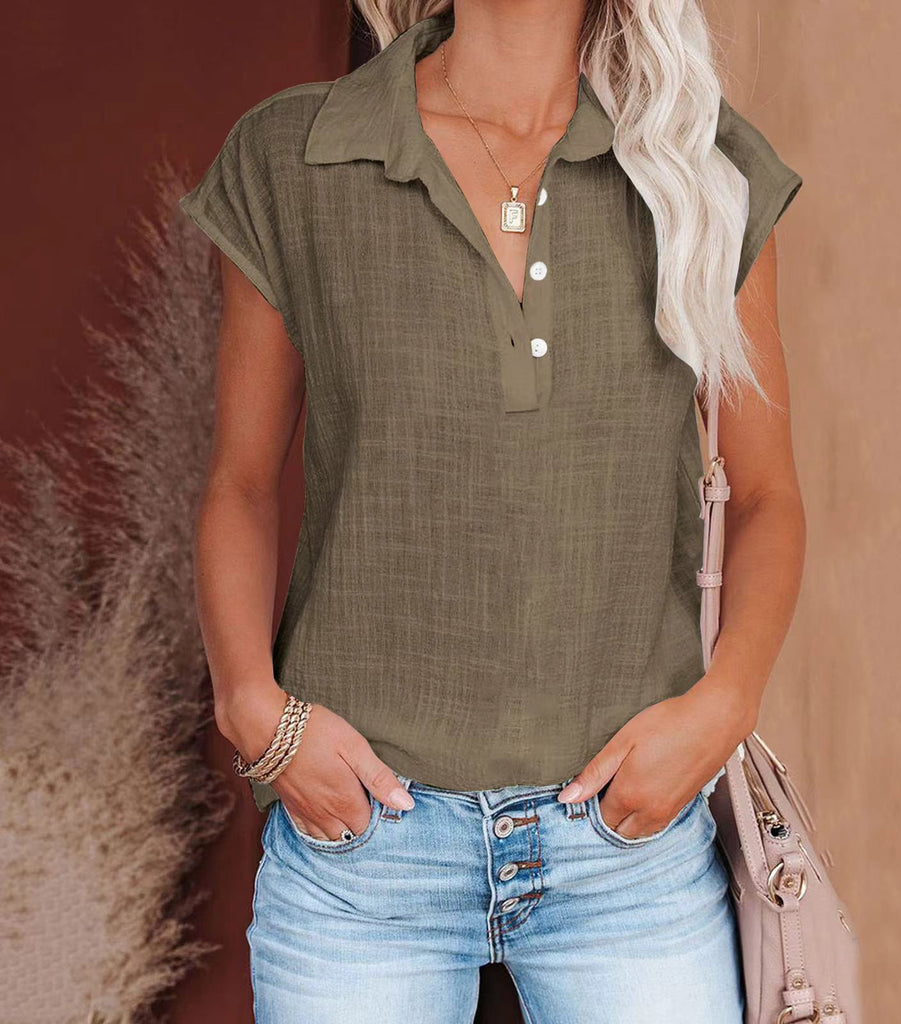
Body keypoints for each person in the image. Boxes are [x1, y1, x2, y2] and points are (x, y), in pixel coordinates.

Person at [178, 1, 805, 1021]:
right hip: (362, 853)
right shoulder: (295, 156)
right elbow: (240, 484)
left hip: (628, 850)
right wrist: (251, 706)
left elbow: (768, 494)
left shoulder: (702, 163)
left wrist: (724, 707)